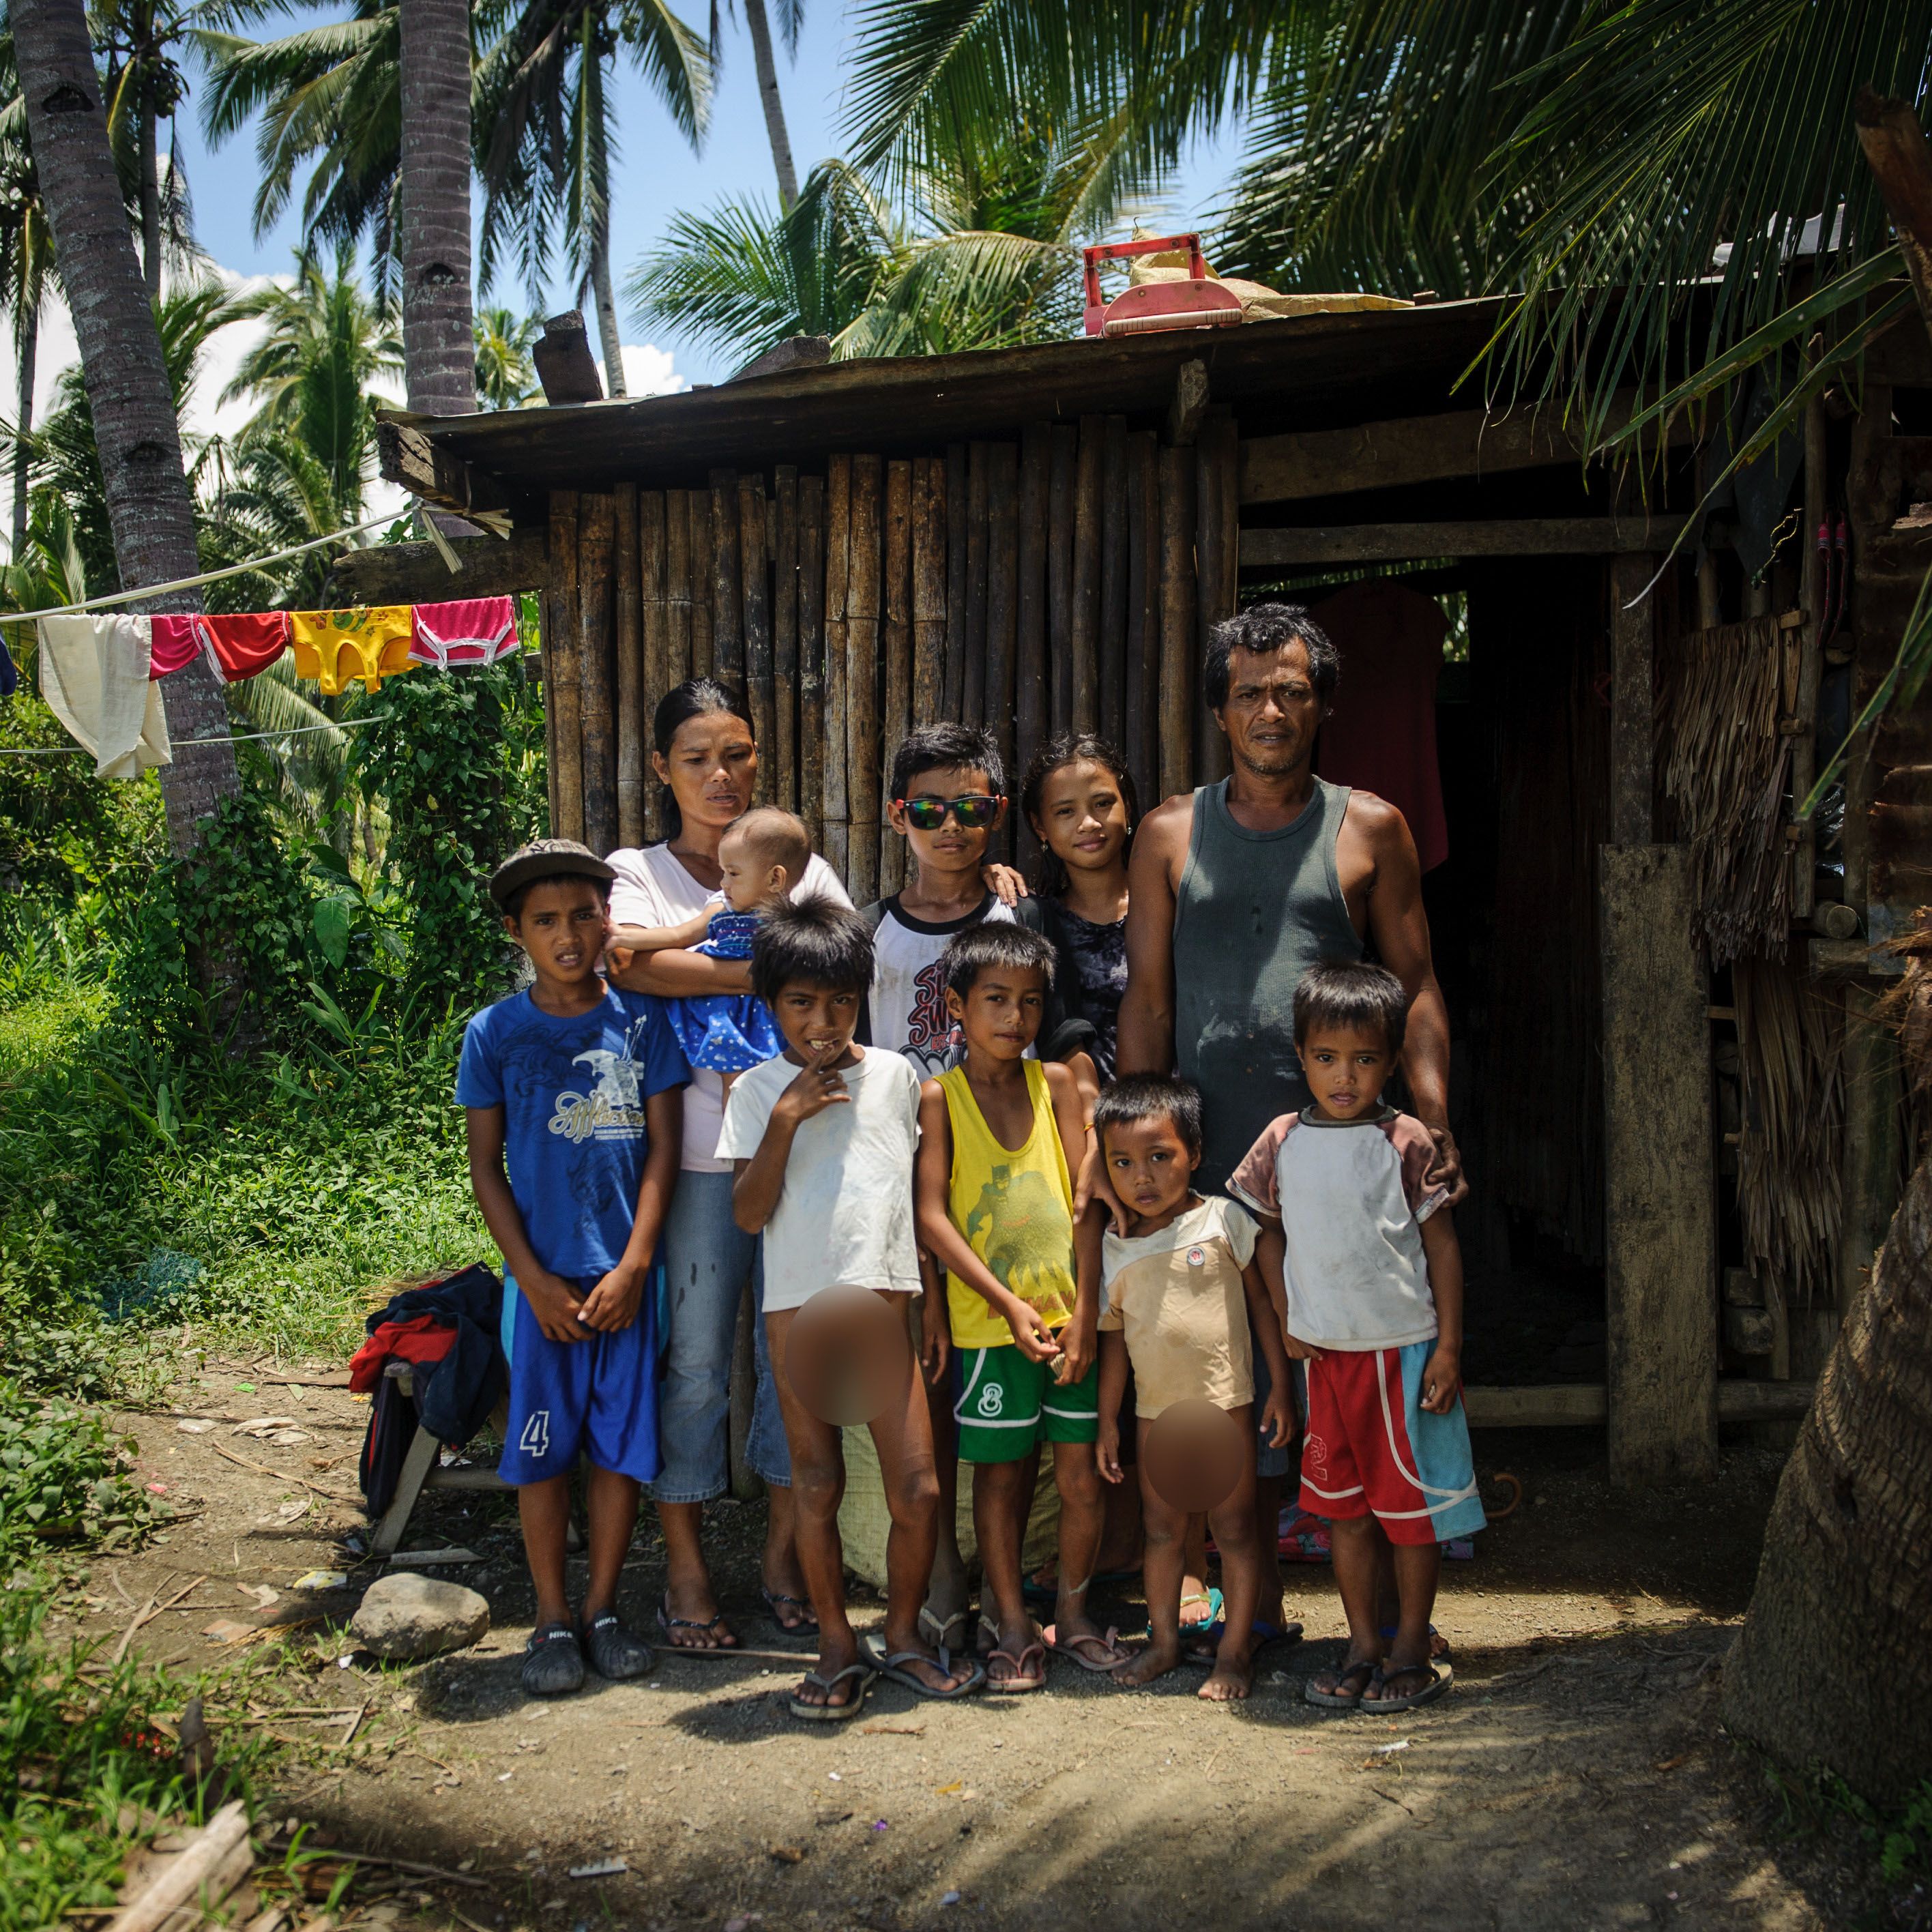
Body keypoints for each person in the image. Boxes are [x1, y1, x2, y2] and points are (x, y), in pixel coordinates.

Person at [1114, 602, 1465, 1649]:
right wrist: (1132, 1154)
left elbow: (1417, 984)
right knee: (1235, 1377)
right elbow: (1147, 999)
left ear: (1322, 707)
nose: (1273, 709)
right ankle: (1251, 1615)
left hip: (1344, 1160)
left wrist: (1435, 1117)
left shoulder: (1371, 827)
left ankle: (1387, 1625)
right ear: (1221, 710)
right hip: (1211, 1156)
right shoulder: (1170, 833)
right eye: (1252, 692)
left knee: (1354, 1359)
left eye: (1293, 690)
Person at [605, 682, 850, 1646]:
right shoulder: (638, 871)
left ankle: (785, 1556)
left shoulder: (804, 865)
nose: (722, 774)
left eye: (739, 754)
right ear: (662, 768)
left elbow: (836, 970)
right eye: (699, 756)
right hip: (702, 1159)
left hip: (803, 1148)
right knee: (698, 1363)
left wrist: (709, 971)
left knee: (792, 1361)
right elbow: (630, 963)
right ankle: (689, 1568)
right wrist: (767, 970)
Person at [862, 721, 1096, 1652]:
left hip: (1013, 1193)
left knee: (995, 1387)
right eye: (929, 809)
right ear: (898, 817)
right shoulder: (870, 933)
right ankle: (942, 1582)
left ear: (997, 817)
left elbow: (1068, 1031)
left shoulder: (1022, 922)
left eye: (970, 808)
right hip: (905, 1186)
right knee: (934, 1372)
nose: (950, 827)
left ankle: (1023, 1594)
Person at [718, 899, 984, 1718]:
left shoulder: (900, 1078)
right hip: (798, 1315)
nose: (822, 1021)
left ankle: (900, 1636)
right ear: (772, 1009)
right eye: (801, 1004)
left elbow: (910, 1202)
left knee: (919, 1489)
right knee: (815, 1482)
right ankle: (838, 1644)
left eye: (839, 1002)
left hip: (884, 1308)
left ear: (862, 999)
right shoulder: (760, 1090)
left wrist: (929, 1303)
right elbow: (747, 1213)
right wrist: (787, 1122)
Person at [456, 840, 688, 1697]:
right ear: (517, 931)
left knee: (620, 1451)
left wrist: (634, 1266)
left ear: (607, 921)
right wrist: (535, 1281)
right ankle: (549, 1618)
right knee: (542, 1453)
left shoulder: (640, 1022)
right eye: (546, 920)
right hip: (542, 1286)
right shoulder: (495, 1034)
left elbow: (663, 1152)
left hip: (628, 1283)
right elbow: (488, 1167)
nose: (568, 934)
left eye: (584, 916)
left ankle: (602, 1611)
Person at [1227, 961, 1484, 1713]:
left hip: (1401, 1350)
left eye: (1367, 1059)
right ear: (1301, 1054)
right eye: (1328, 1058)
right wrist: (1286, 1312)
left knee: (1409, 1511)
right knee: (1342, 1509)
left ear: (1392, 1059)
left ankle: (1411, 1642)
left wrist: (1448, 1349)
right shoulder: (1280, 1142)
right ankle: (1363, 1640)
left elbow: (1442, 1248)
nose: (1346, 1076)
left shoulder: (1404, 1141)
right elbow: (1259, 1235)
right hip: (1328, 1358)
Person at [914, 924, 1126, 1687]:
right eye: (996, 1000)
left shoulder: (1059, 1087)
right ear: (957, 1007)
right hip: (989, 1331)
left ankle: (1070, 1616)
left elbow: (1087, 1200)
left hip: (1071, 1326)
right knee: (1000, 1481)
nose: (1015, 1018)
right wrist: (1004, 1303)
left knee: (1079, 1477)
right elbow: (931, 1216)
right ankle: (1009, 1619)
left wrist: (1093, 1309)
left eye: (1030, 1003)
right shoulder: (941, 1098)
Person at [1089, 1075, 1295, 1701]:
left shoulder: (1224, 1221)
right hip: (1155, 1417)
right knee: (1163, 1532)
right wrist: (1107, 1423)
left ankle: (1233, 1654)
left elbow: (1263, 1307)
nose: (1142, 1177)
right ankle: (1163, 1643)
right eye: (1122, 1163)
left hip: (1227, 1407)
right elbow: (1115, 1346)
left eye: (1160, 1157)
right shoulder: (1115, 1248)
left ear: (1195, 1154)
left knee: (1233, 1530)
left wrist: (1281, 1385)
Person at [613, 806, 810, 1096]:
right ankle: (736, 1141)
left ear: (775, 879)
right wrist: (624, 938)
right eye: (723, 872)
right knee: (736, 1085)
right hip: (730, 1014)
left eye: (733, 874)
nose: (723, 883)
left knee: (781, 1088)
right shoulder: (722, 907)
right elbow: (678, 936)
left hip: (775, 1015)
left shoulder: (796, 921)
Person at [1020, 733, 1135, 1083]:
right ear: (1040, 826)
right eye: (1066, 811)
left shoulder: (1169, 907)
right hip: (1070, 1123)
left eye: (1102, 803)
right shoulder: (1035, 924)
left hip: (1176, 1114)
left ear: (1127, 805)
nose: (1088, 823)